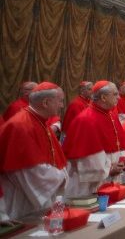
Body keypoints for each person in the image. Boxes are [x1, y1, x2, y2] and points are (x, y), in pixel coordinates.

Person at [0, 82, 67, 219]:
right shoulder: (20, 126)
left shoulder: (40, 121)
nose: (62, 106)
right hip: (22, 199)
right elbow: (29, 169)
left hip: (36, 196)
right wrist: (62, 177)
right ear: (46, 102)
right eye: (60, 101)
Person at [63, 81, 125, 197]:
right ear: (103, 97)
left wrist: (121, 162)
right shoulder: (86, 120)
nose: (119, 97)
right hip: (89, 184)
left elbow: (119, 142)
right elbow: (86, 158)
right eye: (115, 94)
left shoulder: (111, 115)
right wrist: (109, 169)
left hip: (110, 177)